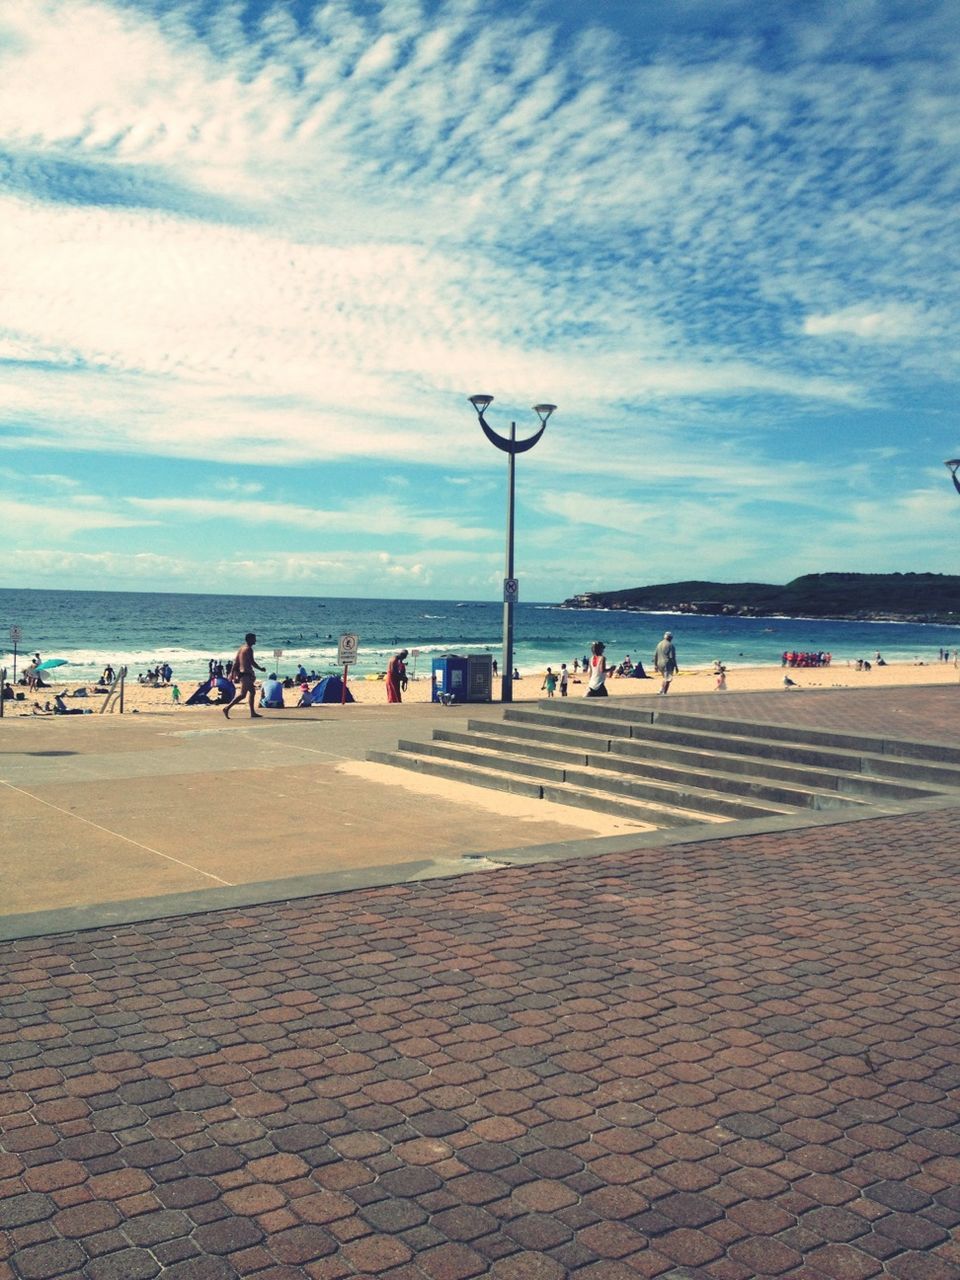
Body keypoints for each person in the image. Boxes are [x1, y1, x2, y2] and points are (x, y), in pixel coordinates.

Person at [223, 632, 265, 719]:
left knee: (252, 692)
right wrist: (261, 669)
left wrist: (231, 673)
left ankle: (252, 712)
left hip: (243, 674)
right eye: (254, 638)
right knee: (242, 695)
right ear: (249, 639)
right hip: (245, 674)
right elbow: (252, 662)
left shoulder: (241, 648)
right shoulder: (249, 649)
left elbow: (236, 662)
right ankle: (227, 708)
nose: (255, 640)